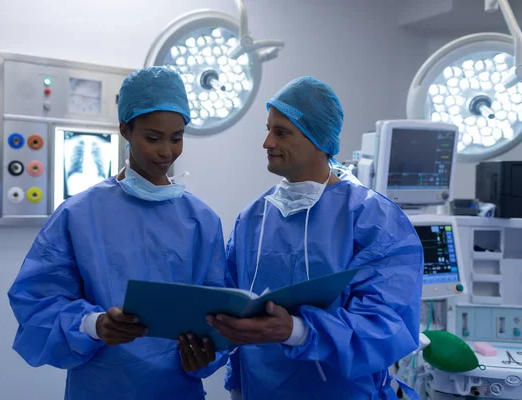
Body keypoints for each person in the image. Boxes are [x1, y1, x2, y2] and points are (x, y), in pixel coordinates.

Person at [180, 76, 424, 399]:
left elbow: (386, 326)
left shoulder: (372, 219)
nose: (267, 143)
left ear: (319, 139)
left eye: (281, 132)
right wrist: (211, 354)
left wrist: (297, 330)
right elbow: (228, 307)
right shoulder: (254, 218)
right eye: (267, 130)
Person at [8, 66, 226, 400]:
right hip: (101, 387)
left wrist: (205, 352)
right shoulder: (78, 216)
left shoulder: (202, 221)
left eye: (177, 138)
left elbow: (220, 315)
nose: (166, 152)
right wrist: (94, 324)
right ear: (125, 129)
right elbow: (37, 305)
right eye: (152, 138)